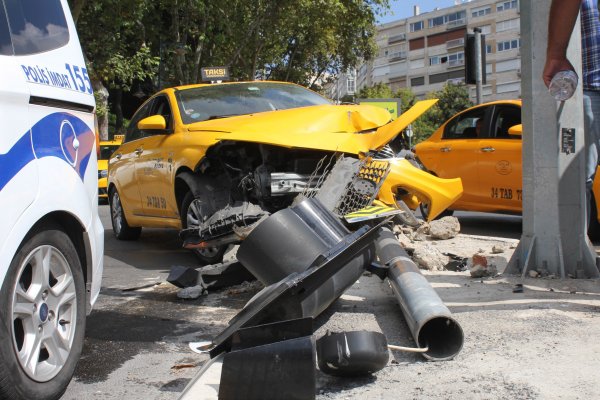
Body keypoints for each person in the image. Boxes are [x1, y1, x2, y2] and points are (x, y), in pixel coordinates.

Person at [543, 0, 600, 227]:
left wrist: (555, 55)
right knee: (579, 180)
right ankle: (576, 251)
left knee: (579, 179)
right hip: (591, 84)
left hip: (590, 86)